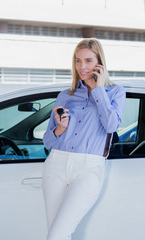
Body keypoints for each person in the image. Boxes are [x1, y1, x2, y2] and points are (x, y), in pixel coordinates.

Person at [42, 38, 126, 240]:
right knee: (58, 234)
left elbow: (112, 126)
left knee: (57, 235)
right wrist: (60, 129)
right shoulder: (66, 95)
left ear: (99, 62)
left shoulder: (114, 92)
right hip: (56, 165)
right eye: (77, 61)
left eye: (88, 60)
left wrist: (98, 89)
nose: (82, 66)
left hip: (88, 169)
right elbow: (47, 140)